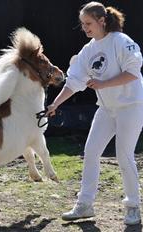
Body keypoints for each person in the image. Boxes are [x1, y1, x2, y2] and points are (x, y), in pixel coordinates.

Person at [47, 1, 143, 225]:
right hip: (107, 110)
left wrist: (103, 83)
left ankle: (133, 207)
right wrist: (55, 104)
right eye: (82, 24)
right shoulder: (88, 50)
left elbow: (133, 73)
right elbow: (74, 82)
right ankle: (85, 205)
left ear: (102, 21)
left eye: (88, 23)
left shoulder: (121, 41)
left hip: (131, 106)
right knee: (90, 152)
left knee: (124, 155)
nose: (85, 28)